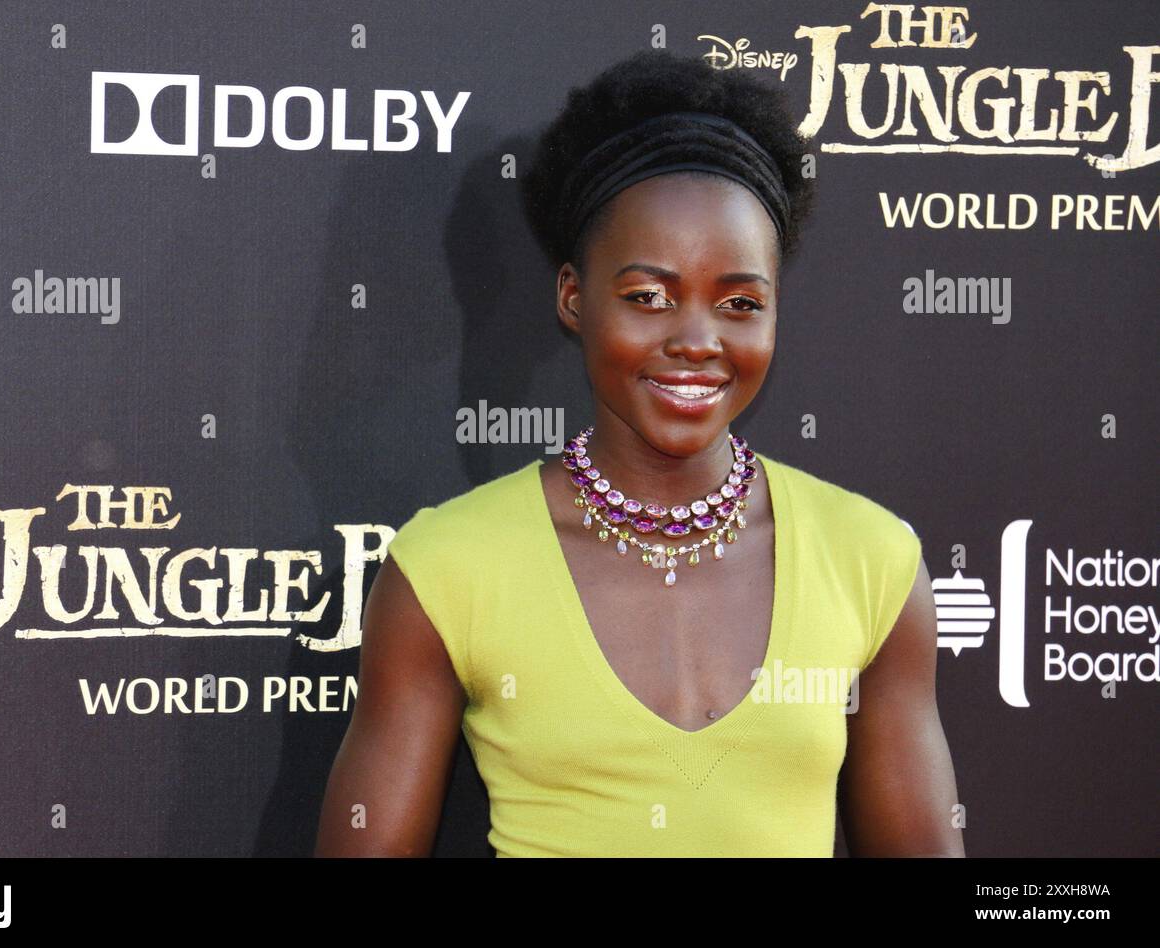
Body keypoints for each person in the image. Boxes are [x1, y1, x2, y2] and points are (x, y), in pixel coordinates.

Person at [315, 49, 964, 857]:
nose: (697, 341)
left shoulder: (872, 563)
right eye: (648, 297)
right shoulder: (448, 568)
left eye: (738, 302)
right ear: (573, 298)